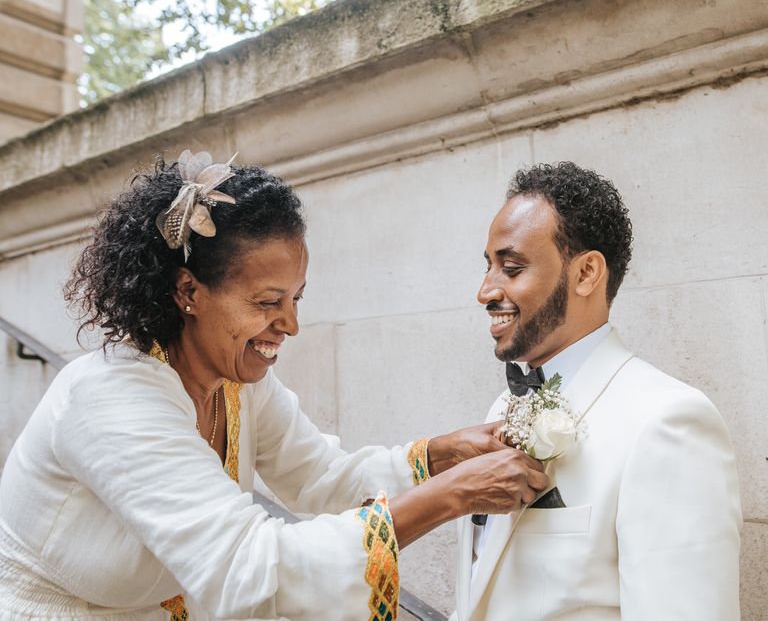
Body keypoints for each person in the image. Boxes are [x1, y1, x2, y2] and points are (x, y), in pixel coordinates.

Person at [0, 151, 549, 621]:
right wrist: (453, 496)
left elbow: (323, 479)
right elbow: (246, 566)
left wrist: (443, 455)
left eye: (296, 299)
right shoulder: (110, 398)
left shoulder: (239, 383)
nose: (290, 325)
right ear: (188, 291)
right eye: (267, 302)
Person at [452, 162, 742, 621]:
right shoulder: (505, 408)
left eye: (510, 268)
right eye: (488, 268)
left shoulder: (668, 421)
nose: (485, 290)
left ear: (586, 273)